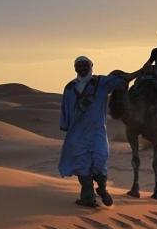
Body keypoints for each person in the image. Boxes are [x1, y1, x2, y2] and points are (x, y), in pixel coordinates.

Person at [59, 56, 139, 207]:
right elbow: (65, 108)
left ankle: (102, 189)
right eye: (79, 65)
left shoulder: (101, 83)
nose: (82, 68)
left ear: (91, 66)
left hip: (97, 132)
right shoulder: (70, 87)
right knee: (81, 163)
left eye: (85, 65)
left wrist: (142, 70)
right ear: (75, 68)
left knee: (100, 158)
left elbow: (122, 81)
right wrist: (65, 125)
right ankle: (88, 197)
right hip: (77, 133)